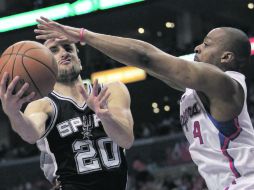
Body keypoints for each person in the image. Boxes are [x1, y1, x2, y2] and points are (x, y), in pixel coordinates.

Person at [34, 16, 254, 190]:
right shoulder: (198, 89)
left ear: (226, 57)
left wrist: (84, 36)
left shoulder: (224, 84)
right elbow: (149, 65)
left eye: (206, 44)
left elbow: (146, 57)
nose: (197, 47)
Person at [0, 38, 134, 190]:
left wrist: (105, 116)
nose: (63, 53)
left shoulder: (111, 90)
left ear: (79, 59)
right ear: (45, 64)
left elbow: (126, 140)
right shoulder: (42, 104)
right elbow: (30, 134)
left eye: (68, 48)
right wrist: (13, 113)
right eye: (54, 51)